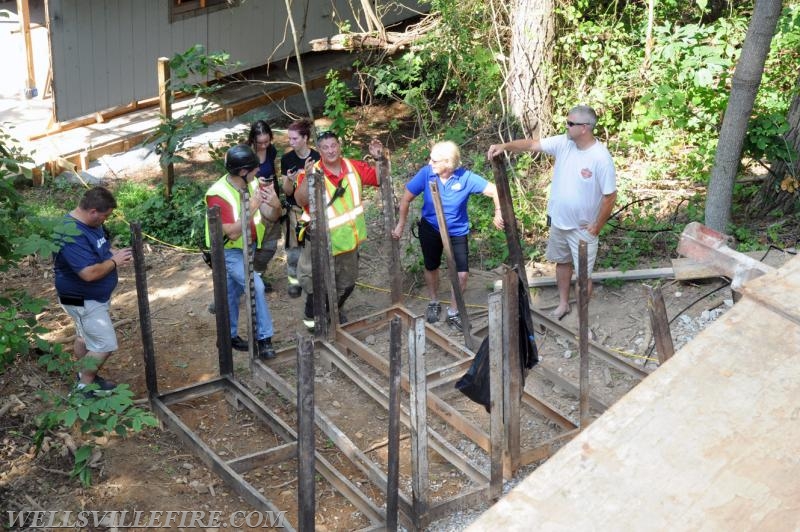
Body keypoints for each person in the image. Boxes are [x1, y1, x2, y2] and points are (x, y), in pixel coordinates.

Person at [487, 105, 617, 320]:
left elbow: (610, 196)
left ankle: (582, 320)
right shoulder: (564, 143)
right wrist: (505, 146)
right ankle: (564, 304)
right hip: (559, 223)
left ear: (584, 128)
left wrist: (597, 226)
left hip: (583, 229)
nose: (566, 126)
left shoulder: (600, 158)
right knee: (562, 263)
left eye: (570, 123)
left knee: (584, 276)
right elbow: (532, 144)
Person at [392, 141, 504, 330]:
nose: (430, 163)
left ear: (448, 163)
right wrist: (401, 224)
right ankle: (434, 301)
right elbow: (406, 198)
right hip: (430, 229)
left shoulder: (465, 178)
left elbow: (495, 190)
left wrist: (499, 211)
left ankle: (453, 311)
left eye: (434, 161)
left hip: (457, 232)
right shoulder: (426, 174)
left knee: (462, 274)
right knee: (431, 265)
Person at [293, 130, 384, 330]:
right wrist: (308, 179)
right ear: (319, 150)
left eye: (333, 145)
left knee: (347, 282)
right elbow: (300, 200)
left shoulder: (353, 167)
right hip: (320, 241)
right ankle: (314, 321)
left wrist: (379, 158)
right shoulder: (312, 172)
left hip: (348, 240)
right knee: (317, 285)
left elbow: (378, 179)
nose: (330, 151)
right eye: (325, 147)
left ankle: (333, 310)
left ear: (339, 146)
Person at [53, 186, 132, 396]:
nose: (105, 220)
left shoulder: (91, 223)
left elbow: (100, 249)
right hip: (82, 297)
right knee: (105, 344)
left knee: (84, 338)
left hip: (90, 297)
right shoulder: (70, 232)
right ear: (93, 211)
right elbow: (87, 273)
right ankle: (83, 388)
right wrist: (114, 262)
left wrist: (113, 253)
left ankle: (84, 375)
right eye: (104, 216)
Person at [205, 144, 281, 360]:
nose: (259, 172)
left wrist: (275, 205)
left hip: (248, 248)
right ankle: (264, 339)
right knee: (255, 285)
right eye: (254, 168)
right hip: (229, 251)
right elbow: (232, 233)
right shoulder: (217, 195)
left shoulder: (252, 183)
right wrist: (254, 205)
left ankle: (227, 336)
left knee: (230, 293)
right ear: (242, 172)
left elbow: (272, 215)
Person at [279, 118, 320, 299]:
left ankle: (315, 280)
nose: (291, 142)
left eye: (295, 139)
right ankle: (294, 282)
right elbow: (287, 191)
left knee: (314, 248)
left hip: (314, 210)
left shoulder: (318, 157)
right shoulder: (287, 159)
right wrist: (289, 178)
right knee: (294, 251)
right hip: (294, 211)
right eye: (289, 139)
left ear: (305, 138)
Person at [248, 120, 280, 292]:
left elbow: (273, 171)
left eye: (267, 141)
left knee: (270, 244)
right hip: (253, 200)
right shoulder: (246, 154)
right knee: (253, 243)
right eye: (260, 142)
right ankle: (246, 280)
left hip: (269, 198)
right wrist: (254, 181)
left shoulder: (271, 150)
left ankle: (257, 274)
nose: (264, 145)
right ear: (253, 140)